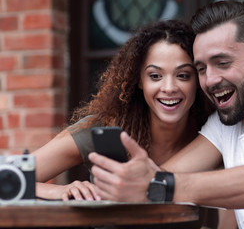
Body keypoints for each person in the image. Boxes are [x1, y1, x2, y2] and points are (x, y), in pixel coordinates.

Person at [88, 1, 244, 229]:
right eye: (202, 68)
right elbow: (160, 176)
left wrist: (160, 186)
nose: (210, 80)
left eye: (223, 63)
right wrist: (106, 188)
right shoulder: (224, 125)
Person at [32, 19, 214, 200]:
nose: (169, 87)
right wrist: (59, 191)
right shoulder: (105, 128)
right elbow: (10, 176)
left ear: (197, 80)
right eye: (155, 76)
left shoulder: (215, 132)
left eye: (183, 75)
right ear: (140, 80)